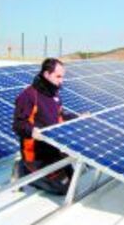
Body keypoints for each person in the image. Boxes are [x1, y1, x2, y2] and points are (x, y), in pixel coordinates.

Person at [13, 58, 78, 195]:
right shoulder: (29, 95)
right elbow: (18, 125)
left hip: (52, 151)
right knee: (64, 189)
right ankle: (24, 170)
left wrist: (78, 118)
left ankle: (39, 174)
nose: (61, 81)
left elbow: (60, 116)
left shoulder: (55, 95)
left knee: (74, 181)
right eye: (58, 76)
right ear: (47, 74)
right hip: (36, 156)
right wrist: (32, 131)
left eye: (63, 77)